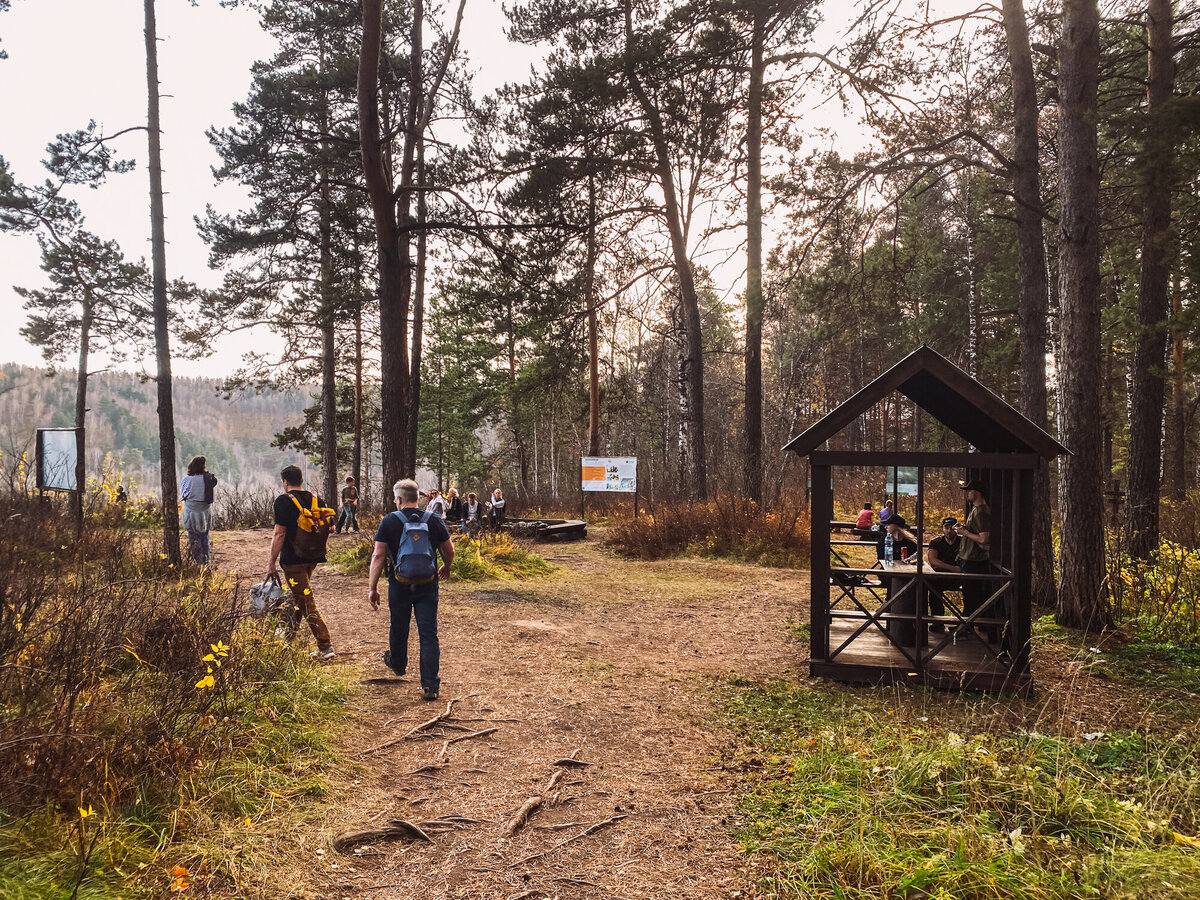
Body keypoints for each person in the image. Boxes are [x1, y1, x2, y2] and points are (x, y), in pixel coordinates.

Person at [368, 478, 454, 700]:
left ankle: (398, 664)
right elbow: (449, 549)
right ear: (418, 498)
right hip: (428, 582)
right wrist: (446, 565)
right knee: (428, 633)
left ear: (398, 499)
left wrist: (372, 587)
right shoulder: (433, 520)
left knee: (399, 625)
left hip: (399, 583)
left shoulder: (389, 521)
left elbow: (378, 556)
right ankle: (430, 685)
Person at [269, 464, 335, 661]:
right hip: (312, 558)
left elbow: (279, 533)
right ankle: (288, 636)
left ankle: (325, 645)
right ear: (301, 480)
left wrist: (271, 562)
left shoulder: (283, 501)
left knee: (306, 601)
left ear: (285, 482)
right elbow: (330, 529)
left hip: (292, 560)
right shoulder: (317, 500)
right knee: (299, 595)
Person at [955, 479, 994, 641]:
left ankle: (966, 628)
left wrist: (964, 533)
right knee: (969, 594)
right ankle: (966, 626)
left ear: (976, 493)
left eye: (968, 491)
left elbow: (984, 539)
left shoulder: (982, 512)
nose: (966, 494)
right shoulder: (976, 510)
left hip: (975, 561)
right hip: (968, 559)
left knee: (972, 596)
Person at [925, 516, 962, 632]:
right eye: (946, 527)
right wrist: (953, 568)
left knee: (972, 590)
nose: (949, 531)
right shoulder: (936, 542)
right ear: (942, 528)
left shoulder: (963, 542)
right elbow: (933, 560)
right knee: (932, 589)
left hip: (959, 578)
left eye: (952, 528)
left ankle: (966, 623)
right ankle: (938, 622)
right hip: (940, 578)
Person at [180, 456, 217, 565]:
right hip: (205, 511)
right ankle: (206, 561)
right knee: (204, 535)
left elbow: (183, 494)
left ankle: (198, 563)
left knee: (194, 537)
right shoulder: (208, 478)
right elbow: (214, 483)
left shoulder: (187, 479)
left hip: (191, 511)